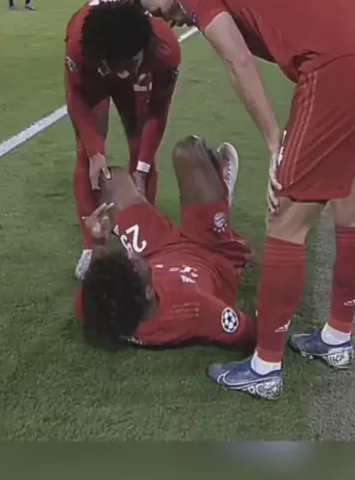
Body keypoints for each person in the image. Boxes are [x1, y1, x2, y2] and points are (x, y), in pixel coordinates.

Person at [132, 0, 355, 400]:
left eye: (158, 10)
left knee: (284, 221)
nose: (166, 20)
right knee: (354, 210)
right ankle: (337, 337)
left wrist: (274, 143)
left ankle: (265, 367)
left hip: (340, 70)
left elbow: (237, 61)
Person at [75, 136, 256, 351]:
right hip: (210, 253)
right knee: (188, 151)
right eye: (132, 264)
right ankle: (218, 201)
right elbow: (250, 332)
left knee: (110, 181)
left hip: (156, 248)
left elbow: (94, 291)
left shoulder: (102, 309)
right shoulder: (192, 309)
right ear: (148, 293)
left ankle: (211, 198)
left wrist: (98, 244)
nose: (130, 254)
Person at [65, 0, 180, 281]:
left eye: (131, 64)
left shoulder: (164, 48)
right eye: (116, 68)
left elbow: (158, 110)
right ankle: (91, 245)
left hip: (135, 66)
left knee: (142, 151)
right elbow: (76, 95)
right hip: (96, 76)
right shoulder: (80, 45)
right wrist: (94, 150)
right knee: (87, 154)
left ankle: (146, 241)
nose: (124, 75)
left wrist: (142, 166)